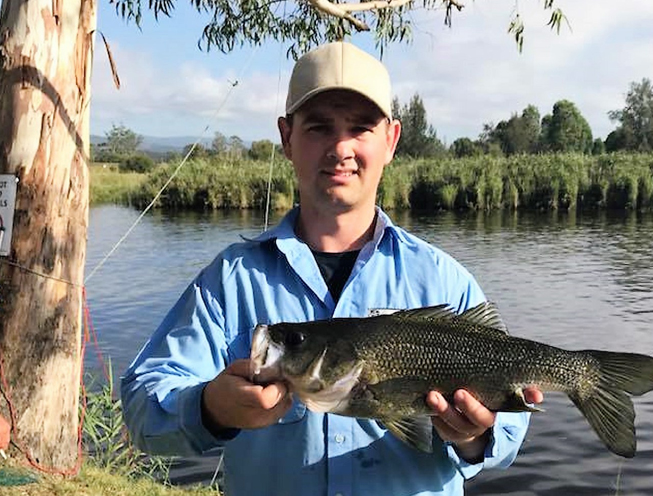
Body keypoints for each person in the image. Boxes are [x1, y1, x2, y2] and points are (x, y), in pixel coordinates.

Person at [121, 41, 541, 496]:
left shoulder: (445, 280)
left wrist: (477, 436)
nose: (340, 148)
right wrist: (210, 408)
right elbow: (143, 408)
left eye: (360, 128)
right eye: (319, 128)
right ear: (286, 137)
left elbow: (508, 438)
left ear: (391, 140)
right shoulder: (230, 281)